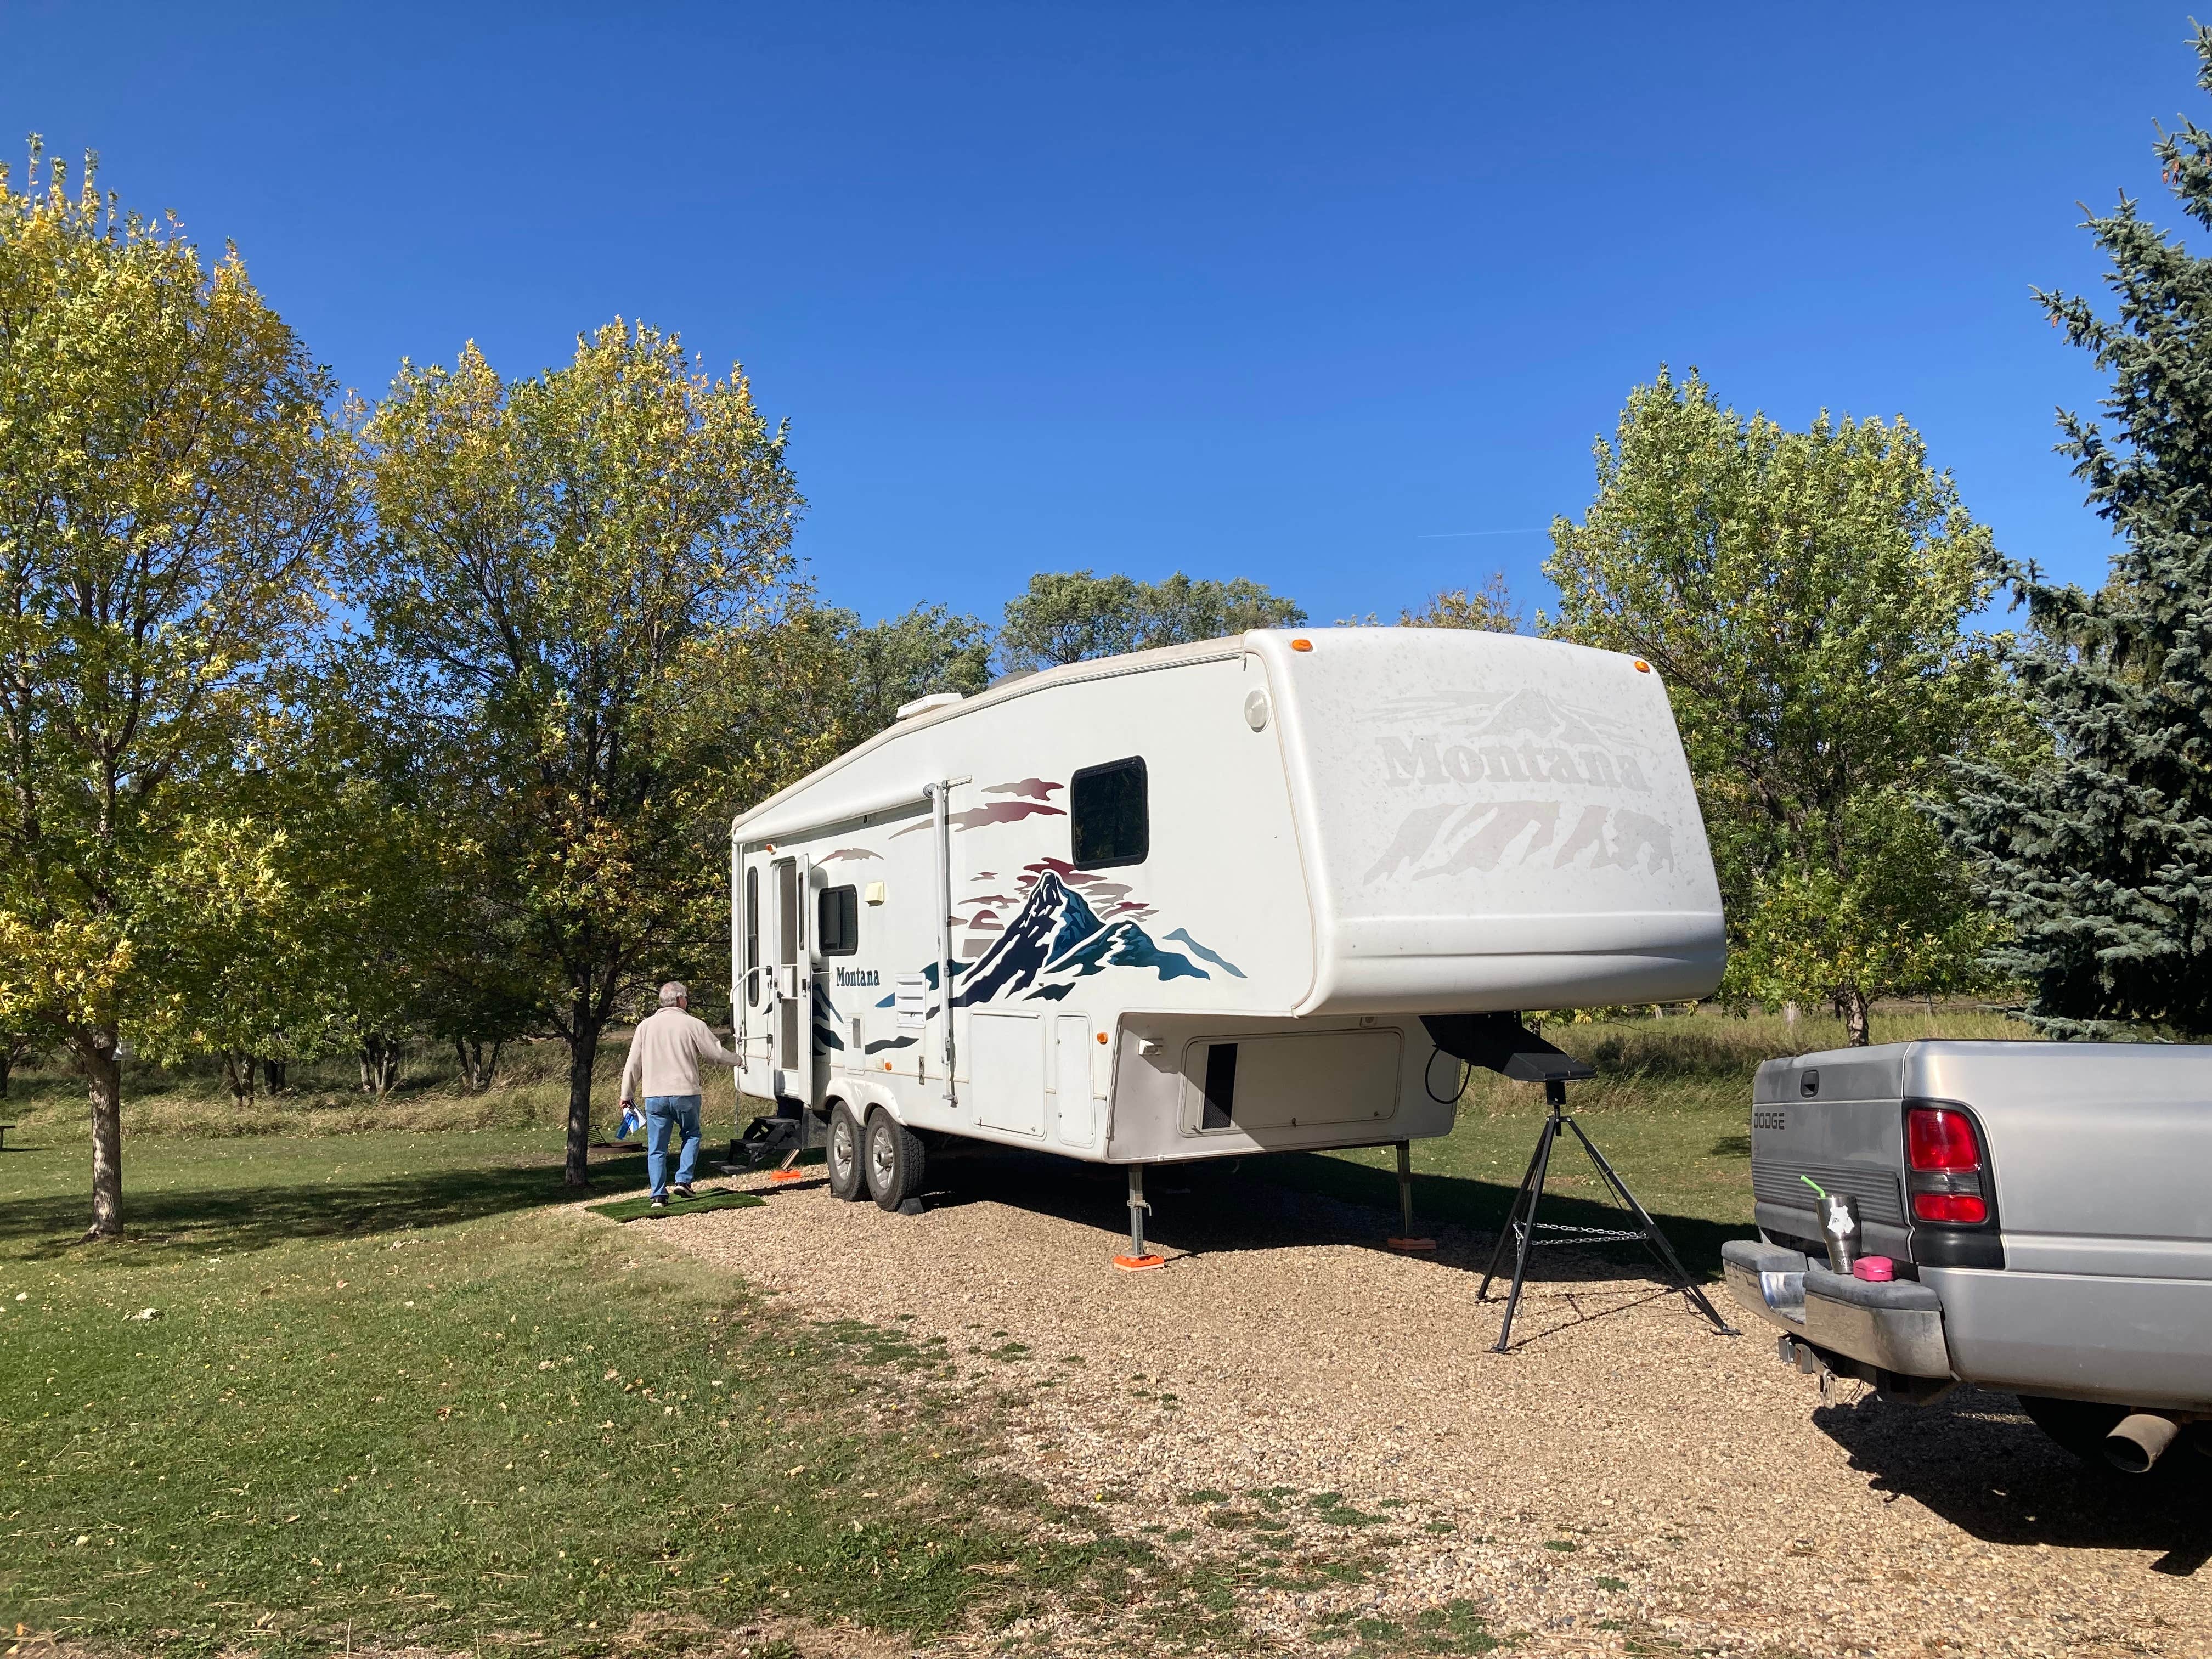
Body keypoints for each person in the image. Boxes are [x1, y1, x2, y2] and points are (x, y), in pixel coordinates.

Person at [618, 981, 742, 1209]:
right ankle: (683, 1180)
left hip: (654, 1095)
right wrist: (739, 1060)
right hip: (685, 1093)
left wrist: (627, 1094)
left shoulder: (645, 1027)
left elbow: (633, 1065)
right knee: (692, 1135)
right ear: (679, 1000)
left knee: (657, 1147)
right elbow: (714, 1054)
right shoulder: (692, 1024)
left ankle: (658, 1195)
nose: (687, 1001)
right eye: (686, 997)